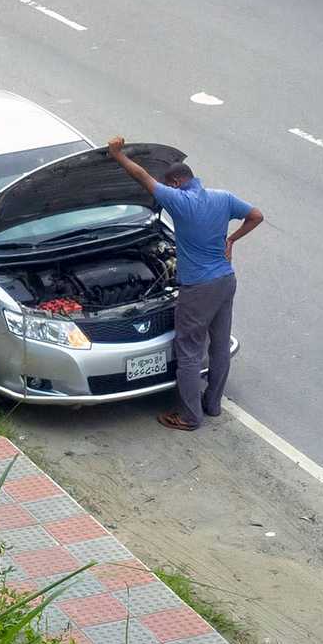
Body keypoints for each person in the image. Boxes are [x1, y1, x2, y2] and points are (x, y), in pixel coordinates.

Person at [107, 137, 263, 431]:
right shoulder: (223, 197)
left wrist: (116, 154)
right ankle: (213, 405)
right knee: (218, 344)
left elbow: (142, 176)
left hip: (198, 288)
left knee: (189, 351)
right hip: (225, 280)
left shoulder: (178, 200)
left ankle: (190, 417)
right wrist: (231, 239)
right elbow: (256, 216)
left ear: (176, 182)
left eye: (170, 184)